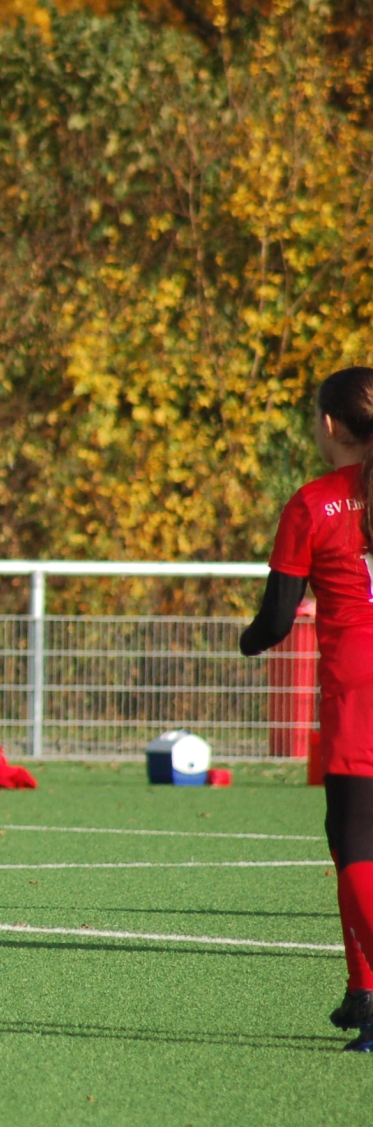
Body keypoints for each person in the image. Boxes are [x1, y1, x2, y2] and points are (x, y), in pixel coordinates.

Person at [240, 367, 373, 1053]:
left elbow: (277, 619)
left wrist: (247, 641)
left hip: (358, 689)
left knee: (355, 845)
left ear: (329, 424)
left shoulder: (314, 502)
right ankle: (363, 990)